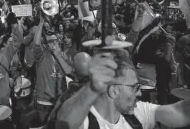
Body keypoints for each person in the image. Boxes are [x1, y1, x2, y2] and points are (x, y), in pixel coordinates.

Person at [56, 49, 190, 129]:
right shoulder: (87, 122)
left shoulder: (136, 113)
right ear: (114, 91)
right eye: (134, 87)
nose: (139, 92)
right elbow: (64, 123)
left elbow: (180, 112)